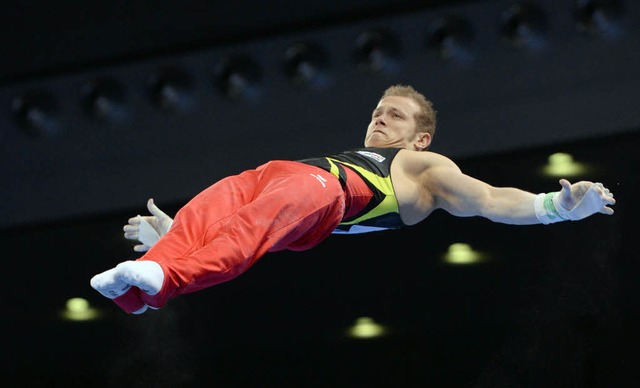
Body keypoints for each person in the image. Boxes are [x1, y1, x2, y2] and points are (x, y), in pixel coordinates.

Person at [90, 84, 616, 314]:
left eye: (395, 115)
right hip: (287, 183)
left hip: (327, 194)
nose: (379, 118)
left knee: (278, 205)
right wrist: (175, 237)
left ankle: (168, 276)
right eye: (377, 110)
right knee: (212, 208)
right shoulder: (336, 166)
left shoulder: (423, 167)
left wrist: (556, 207)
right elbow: (256, 234)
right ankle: (148, 287)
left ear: (420, 138)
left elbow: (490, 198)